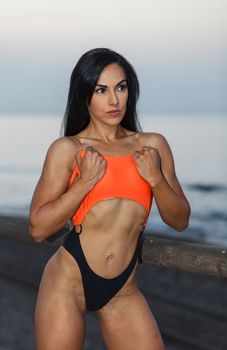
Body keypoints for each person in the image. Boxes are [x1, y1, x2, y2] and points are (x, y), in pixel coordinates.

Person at [29, 48, 190, 350]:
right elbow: (38, 228)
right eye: (101, 90)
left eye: (121, 87)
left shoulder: (153, 146)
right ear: (84, 94)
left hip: (122, 290)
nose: (114, 101)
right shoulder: (67, 149)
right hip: (67, 284)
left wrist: (155, 179)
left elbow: (179, 220)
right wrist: (84, 183)